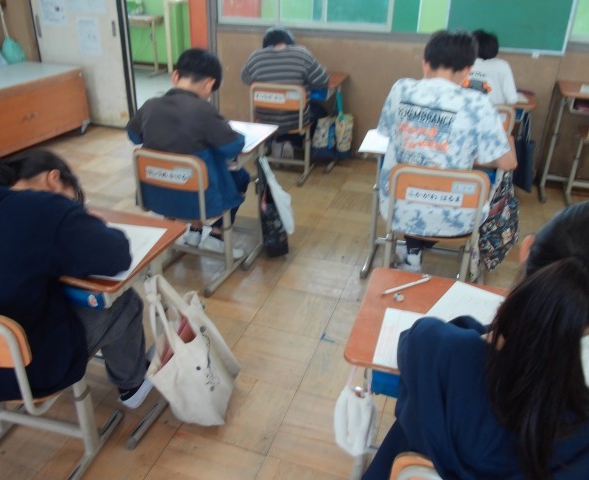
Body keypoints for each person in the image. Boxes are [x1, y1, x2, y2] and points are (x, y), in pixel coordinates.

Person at [362, 201, 589, 479]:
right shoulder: (580, 435)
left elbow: (414, 342)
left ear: (527, 250)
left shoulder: (441, 352)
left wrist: (482, 330)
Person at [0, 151, 153, 409]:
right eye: (72, 200)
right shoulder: (45, 207)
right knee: (123, 302)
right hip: (31, 373)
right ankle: (132, 385)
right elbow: (117, 256)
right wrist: (94, 223)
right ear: (53, 179)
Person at [376, 30, 517, 272]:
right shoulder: (477, 103)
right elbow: (508, 163)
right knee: (467, 183)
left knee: (416, 176)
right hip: (458, 217)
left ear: (425, 64)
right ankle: (421, 252)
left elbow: (387, 133)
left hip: (398, 208)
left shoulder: (401, 89)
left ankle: (412, 253)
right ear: (468, 70)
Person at [127, 48, 249, 259]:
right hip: (199, 199)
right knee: (241, 176)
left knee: (190, 173)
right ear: (209, 84)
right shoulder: (203, 111)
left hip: (157, 195)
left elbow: (133, 136)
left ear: (175, 76)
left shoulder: (149, 106)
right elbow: (233, 147)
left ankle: (194, 232)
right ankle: (216, 236)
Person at [240, 27, 329, 158]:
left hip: (264, 118)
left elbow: (245, 78)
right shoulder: (302, 54)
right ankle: (289, 143)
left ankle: (278, 142)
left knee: (281, 112)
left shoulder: (255, 57)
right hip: (295, 120)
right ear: (289, 41)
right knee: (320, 112)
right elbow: (323, 80)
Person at [470, 30, 518, 105]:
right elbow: (512, 99)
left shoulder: (463, 63)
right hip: (496, 111)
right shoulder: (502, 65)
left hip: (467, 110)